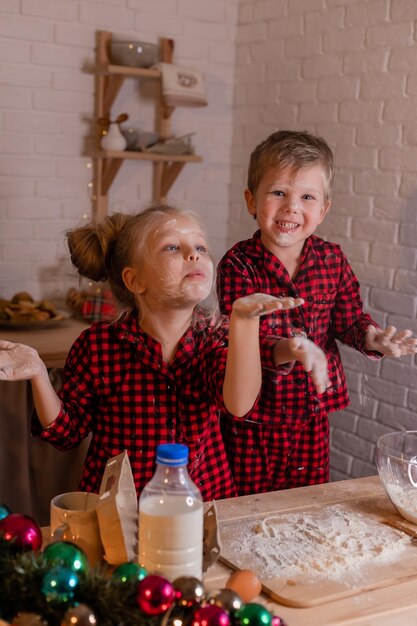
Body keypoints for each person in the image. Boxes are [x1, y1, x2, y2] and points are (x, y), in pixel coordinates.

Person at [0, 204, 302, 502]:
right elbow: (67, 433)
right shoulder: (97, 346)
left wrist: (245, 322)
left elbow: (237, 404)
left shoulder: (216, 337)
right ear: (135, 281)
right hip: (118, 513)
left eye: (200, 246)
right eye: (172, 248)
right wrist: (39, 373)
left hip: (202, 507)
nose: (193, 254)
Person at [217, 129, 417, 496]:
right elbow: (247, 342)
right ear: (251, 200)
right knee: (249, 504)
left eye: (307, 197)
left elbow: (349, 320)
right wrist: (292, 348)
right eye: (278, 192)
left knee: (307, 500)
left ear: (322, 210)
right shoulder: (238, 265)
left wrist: (375, 338)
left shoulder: (331, 259)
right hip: (256, 418)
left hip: (312, 414)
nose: (292, 207)